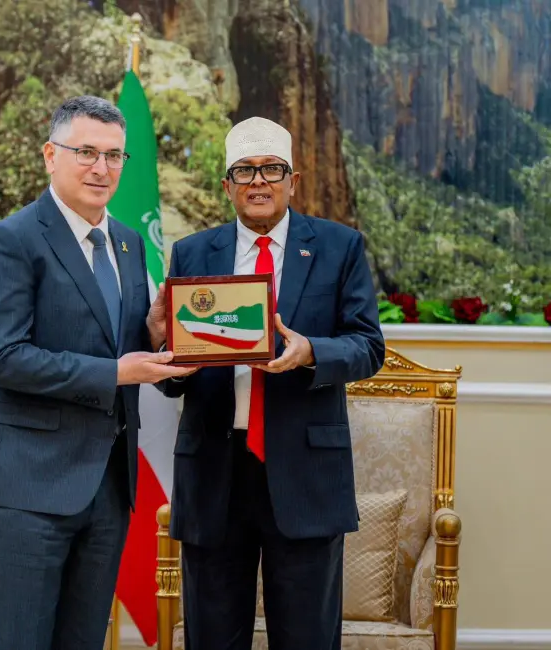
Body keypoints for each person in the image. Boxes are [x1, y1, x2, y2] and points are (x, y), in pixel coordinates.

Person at [0, 95, 193, 650]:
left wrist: (155, 337)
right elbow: (4, 359)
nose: (101, 168)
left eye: (114, 156)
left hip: (107, 488)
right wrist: (115, 372)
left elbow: (121, 351)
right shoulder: (11, 240)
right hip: (25, 487)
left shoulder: (129, 243)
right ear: (50, 155)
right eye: (86, 152)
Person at [158, 116, 385, 650]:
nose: (258, 181)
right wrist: (171, 356)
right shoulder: (191, 253)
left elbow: (367, 346)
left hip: (305, 474)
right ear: (227, 186)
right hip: (214, 471)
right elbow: (171, 374)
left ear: (293, 181)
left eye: (271, 169)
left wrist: (312, 353)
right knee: (212, 637)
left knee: (307, 638)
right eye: (244, 171)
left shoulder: (339, 247)